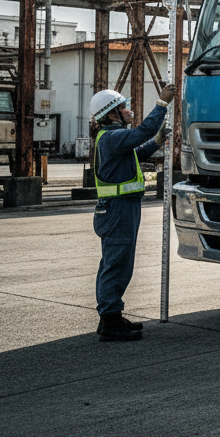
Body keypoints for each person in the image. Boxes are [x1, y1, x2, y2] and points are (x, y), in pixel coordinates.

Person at [89, 83, 173, 342]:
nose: (128, 110)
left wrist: (157, 141)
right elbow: (142, 132)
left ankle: (111, 317)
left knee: (120, 263)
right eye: (123, 107)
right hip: (117, 209)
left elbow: (137, 152)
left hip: (122, 207)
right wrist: (162, 104)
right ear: (112, 114)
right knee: (115, 264)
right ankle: (110, 319)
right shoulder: (112, 137)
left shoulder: (115, 139)